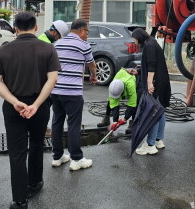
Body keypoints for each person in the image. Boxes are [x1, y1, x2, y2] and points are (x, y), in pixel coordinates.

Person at [0, 11, 60, 209]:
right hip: (40, 106)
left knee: (17, 152)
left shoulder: (4, 51)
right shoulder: (48, 49)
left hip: (14, 108)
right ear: (36, 27)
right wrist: (37, 104)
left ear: (15, 29)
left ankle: (20, 203)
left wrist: (15, 102)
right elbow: (52, 80)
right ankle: (35, 183)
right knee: (37, 143)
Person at [50, 19, 97, 171]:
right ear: (82, 30)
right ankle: (76, 159)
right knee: (73, 124)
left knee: (57, 122)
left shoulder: (57, 44)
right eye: (87, 32)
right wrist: (93, 76)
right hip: (72, 92)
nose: (87, 35)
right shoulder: (83, 45)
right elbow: (92, 64)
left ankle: (57, 157)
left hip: (55, 90)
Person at [131, 28, 171, 155]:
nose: (134, 41)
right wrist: (138, 72)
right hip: (162, 81)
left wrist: (149, 83)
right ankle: (159, 140)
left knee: (152, 112)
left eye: (134, 39)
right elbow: (151, 65)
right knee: (160, 110)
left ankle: (150, 144)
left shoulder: (148, 46)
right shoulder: (152, 43)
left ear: (139, 37)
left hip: (155, 83)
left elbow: (152, 65)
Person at [37, 20, 69, 137]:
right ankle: (43, 130)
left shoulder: (41, 38)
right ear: (55, 32)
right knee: (44, 107)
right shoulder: (48, 45)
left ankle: (41, 128)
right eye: (59, 36)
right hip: (44, 81)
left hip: (39, 79)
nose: (58, 38)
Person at [107, 68, 138, 134]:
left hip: (136, 78)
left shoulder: (131, 85)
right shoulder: (114, 84)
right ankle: (106, 117)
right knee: (110, 100)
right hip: (124, 78)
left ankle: (133, 122)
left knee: (137, 102)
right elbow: (113, 103)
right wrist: (115, 121)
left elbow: (132, 104)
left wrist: (124, 119)